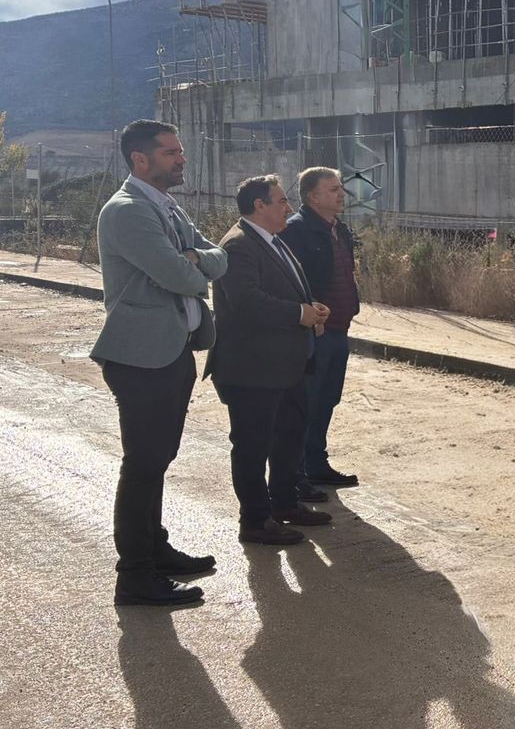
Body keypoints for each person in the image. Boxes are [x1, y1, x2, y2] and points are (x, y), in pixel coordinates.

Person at [92, 119, 227, 607]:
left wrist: (194, 259)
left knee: (158, 460)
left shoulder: (166, 206)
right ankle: (135, 577)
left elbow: (219, 257)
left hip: (172, 352)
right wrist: (192, 263)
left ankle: (156, 549)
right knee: (144, 464)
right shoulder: (127, 211)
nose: (181, 159)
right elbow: (182, 275)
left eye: (180, 151)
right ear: (140, 160)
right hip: (141, 358)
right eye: (171, 153)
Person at [205, 175, 332, 546]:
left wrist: (311, 310)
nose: (288, 208)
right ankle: (256, 520)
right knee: (252, 446)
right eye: (280, 201)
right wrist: (299, 314)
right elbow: (246, 301)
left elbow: (290, 290)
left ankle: (285, 504)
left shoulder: (272, 242)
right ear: (259, 205)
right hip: (252, 368)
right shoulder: (239, 244)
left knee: (288, 437)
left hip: (285, 365)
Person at [279, 166, 360, 500]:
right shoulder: (296, 231)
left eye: (340, 188)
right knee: (305, 403)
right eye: (332, 189)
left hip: (339, 328)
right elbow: (286, 281)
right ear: (313, 196)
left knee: (327, 400)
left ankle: (316, 464)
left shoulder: (337, 228)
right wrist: (308, 309)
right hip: (314, 331)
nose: (341, 194)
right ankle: (294, 475)